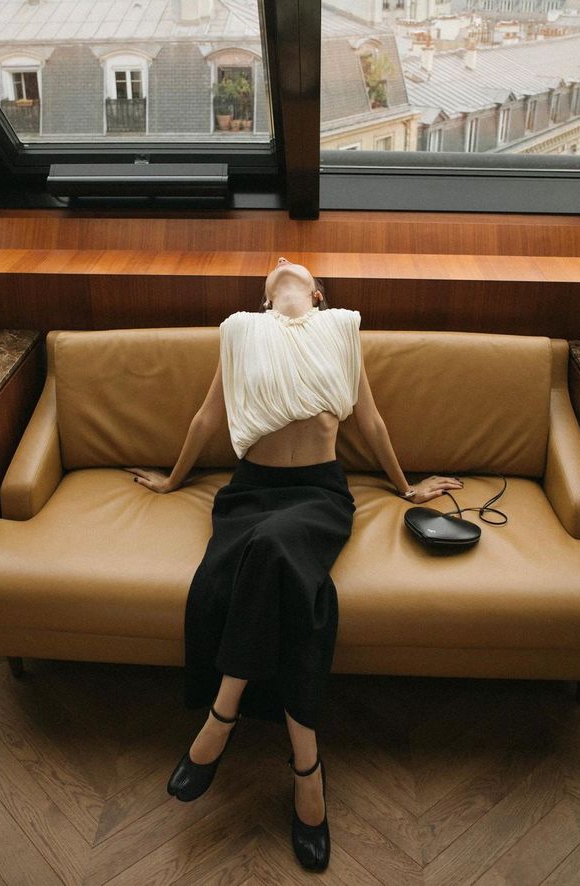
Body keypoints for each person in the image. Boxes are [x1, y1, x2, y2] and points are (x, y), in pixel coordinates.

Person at [124, 257, 462, 871]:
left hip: (317, 497)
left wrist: (407, 488)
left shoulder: (339, 332)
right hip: (249, 493)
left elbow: (370, 418)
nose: (282, 261)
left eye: (295, 265)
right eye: (272, 268)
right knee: (282, 577)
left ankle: (220, 718)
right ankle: (307, 768)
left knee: (273, 549)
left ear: (317, 291)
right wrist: (174, 482)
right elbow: (208, 417)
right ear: (264, 295)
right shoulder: (242, 332)